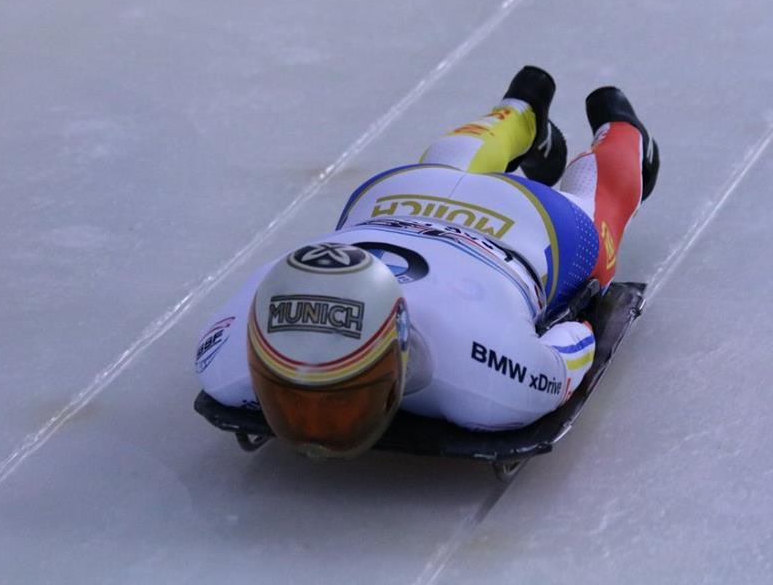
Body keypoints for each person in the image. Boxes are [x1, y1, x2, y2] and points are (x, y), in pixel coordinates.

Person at [193, 66, 659, 459]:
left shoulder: (493, 384)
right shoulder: (224, 360)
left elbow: (576, 340)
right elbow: (574, 342)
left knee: (598, 215)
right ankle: (544, 113)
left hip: (533, 228)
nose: (313, 422)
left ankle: (604, 130)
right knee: (441, 169)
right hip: (393, 202)